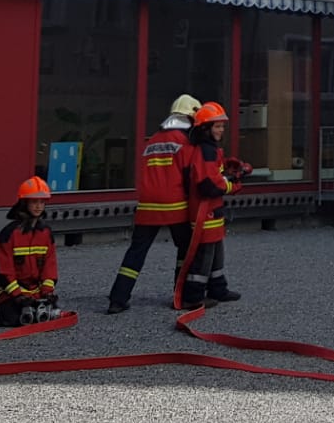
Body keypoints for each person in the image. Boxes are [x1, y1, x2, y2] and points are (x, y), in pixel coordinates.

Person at [106, 94, 204, 314]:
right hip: (175, 204)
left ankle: (118, 299)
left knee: (136, 252)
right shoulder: (185, 141)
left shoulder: (153, 140)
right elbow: (189, 175)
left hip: (148, 205)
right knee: (185, 250)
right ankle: (181, 296)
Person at [175, 101, 250, 309]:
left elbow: (213, 173)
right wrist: (232, 184)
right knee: (204, 254)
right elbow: (208, 184)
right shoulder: (205, 150)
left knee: (216, 250)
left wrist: (228, 169)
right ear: (205, 128)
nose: (221, 130)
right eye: (217, 126)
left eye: (222, 126)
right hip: (204, 211)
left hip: (211, 210)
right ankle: (193, 296)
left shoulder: (209, 149)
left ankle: (218, 288)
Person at [0, 177, 61, 325]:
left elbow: (50, 266)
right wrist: (17, 295)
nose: (38, 206)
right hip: (11, 291)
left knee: (48, 315)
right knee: (13, 319)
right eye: (34, 202)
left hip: (35, 291)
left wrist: (47, 292)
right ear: (24, 203)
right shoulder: (10, 233)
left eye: (42, 202)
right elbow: (2, 270)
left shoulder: (45, 233)